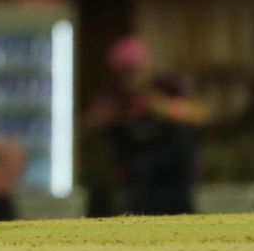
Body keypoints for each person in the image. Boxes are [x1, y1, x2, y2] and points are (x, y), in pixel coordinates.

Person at [85, 36, 210, 215]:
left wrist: (163, 107)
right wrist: (117, 112)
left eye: (134, 70)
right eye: (124, 73)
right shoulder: (113, 96)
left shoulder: (167, 86)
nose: (130, 78)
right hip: (132, 183)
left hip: (173, 180)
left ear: (146, 66)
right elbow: (90, 123)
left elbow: (201, 114)